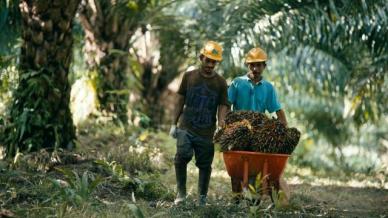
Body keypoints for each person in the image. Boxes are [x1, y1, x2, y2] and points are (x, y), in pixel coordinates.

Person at [169, 41, 229, 206]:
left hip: (206, 132)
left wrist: (221, 125)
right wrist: (173, 124)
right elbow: (180, 99)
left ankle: (201, 199)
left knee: (204, 165)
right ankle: (181, 194)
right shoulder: (189, 77)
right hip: (186, 127)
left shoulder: (221, 83)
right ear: (201, 57)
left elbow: (223, 105)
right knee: (182, 157)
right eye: (207, 60)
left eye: (214, 62)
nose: (210, 65)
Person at [227, 47, 290, 203]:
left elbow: (277, 109)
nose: (255, 68)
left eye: (259, 65)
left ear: (264, 66)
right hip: (238, 131)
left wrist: (285, 130)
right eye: (252, 65)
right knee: (235, 169)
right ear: (248, 65)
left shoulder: (268, 87)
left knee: (255, 166)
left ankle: (253, 199)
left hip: (258, 133)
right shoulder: (237, 83)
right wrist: (224, 124)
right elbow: (226, 105)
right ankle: (236, 199)